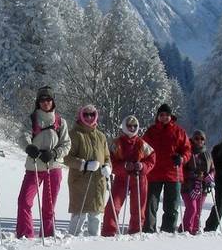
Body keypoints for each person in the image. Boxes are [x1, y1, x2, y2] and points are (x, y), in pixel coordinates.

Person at [15, 86, 71, 239]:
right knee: (24, 201)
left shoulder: (60, 121)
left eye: (48, 99)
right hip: (34, 166)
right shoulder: (32, 119)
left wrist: (54, 153)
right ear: (38, 102)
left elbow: (66, 144)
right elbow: (22, 136)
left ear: (53, 102)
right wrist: (29, 147)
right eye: (42, 100)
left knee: (48, 206)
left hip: (53, 167)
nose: (45, 102)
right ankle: (25, 234)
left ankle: (47, 235)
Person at [102, 115, 155, 236]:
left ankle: (136, 231)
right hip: (122, 178)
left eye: (134, 126)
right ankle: (108, 231)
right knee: (113, 206)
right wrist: (124, 166)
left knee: (138, 208)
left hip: (138, 178)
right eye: (129, 126)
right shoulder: (117, 143)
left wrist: (142, 166)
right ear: (124, 127)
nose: (132, 128)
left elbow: (152, 159)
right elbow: (110, 161)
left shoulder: (142, 144)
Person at [143, 103, 191, 233]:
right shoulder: (151, 131)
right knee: (150, 204)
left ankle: (168, 230)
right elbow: (142, 148)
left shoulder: (179, 132)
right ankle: (148, 228)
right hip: (154, 172)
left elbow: (187, 150)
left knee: (172, 205)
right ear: (158, 116)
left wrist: (182, 158)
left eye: (167, 115)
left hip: (173, 173)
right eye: (161, 115)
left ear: (171, 116)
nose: (164, 117)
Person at [64, 105, 111, 236]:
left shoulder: (101, 136)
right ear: (80, 116)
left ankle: (94, 246)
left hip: (98, 182)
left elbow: (107, 156)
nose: (89, 117)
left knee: (96, 216)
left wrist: (107, 166)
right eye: (86, 115)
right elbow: (66, 158)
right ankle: (71, 242)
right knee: (79, 215)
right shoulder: (74, 134)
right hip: (80, 181)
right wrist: (83, 165)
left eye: (92, 114)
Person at [180, 130, 215, 235]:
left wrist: (210, 176)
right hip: (188, 186)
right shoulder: (188, 151)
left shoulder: (207, 154)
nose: (199, 141)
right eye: (197, 138)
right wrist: (194, 175)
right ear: (193, 139)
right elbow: (182, 169)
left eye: (202, 139)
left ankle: (195, 229)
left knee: (198, 210)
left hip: (202, 187)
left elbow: (212, 168)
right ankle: (185, 229)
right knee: (192, 208)